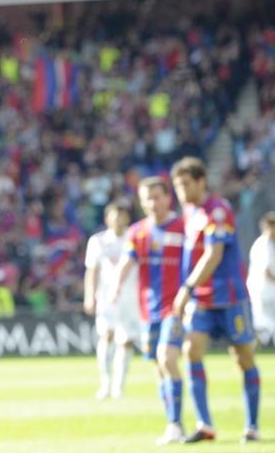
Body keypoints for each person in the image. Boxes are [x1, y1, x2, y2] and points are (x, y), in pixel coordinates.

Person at [171, 157, 261, 444]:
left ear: (201, 182)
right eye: (177, 185)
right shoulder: (189, 213)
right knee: (191, 350)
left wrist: (186, 287)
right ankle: (205, 424)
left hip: (230, 297)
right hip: (203, 300)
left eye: (186, 184)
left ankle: (252, 426)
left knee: (243, 357)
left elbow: (214, 256)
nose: (181, 190)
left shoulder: (218, 211)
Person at [114, 177, 186, 444]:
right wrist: (115, 287)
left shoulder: (183, 227)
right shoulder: (137, 232)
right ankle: (172, 422)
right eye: (147, 199)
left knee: (167, 358)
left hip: (176, 306)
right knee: (159, 367)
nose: (152, 203)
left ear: (168, 198)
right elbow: (127, 261)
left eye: (157, 197)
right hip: (149, 310)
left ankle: (176, 423)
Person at [83, 199, 139, 400]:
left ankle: (118, 387)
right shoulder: (97, 241)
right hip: (106, 298)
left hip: (130, 298)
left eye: (123, 217)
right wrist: (90, 295)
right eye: (116, 217)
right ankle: (105, 384)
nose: (119, 221)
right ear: (108, 219)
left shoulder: (134, 238)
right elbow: (92, 270)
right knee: (106, 336)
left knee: (126, 341)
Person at [247, 211, 275, 346]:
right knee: (263, 329)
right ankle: (245, 355)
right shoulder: (264, 244)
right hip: (264, 293)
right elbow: (267, 271)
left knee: (262, 331)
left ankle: (245, 355)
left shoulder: (269, 243)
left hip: (267, 292)